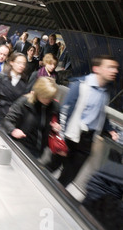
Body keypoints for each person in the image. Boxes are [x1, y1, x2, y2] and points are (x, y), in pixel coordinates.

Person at [45, 55, 120, 187]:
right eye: (110, 67)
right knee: (53, 165)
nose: (114, 71)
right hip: (70, 136)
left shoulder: (105, 91)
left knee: (69, 175)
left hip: (87, 140)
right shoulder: (81, 86)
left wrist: (109, 129)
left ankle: (54, 197)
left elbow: (100, 111)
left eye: (115, 68)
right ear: (97, 69)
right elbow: (65, 110)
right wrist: (61, 138)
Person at [2, 77, 61, 159]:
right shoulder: (24, 102)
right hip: (20, 146)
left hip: (38, 151)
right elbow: (8, 120)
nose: (48, 100)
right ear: (38, 92)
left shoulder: (54, 106)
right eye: (45, 97)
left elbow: (54, 123)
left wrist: (56, 127)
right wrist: (13, 130)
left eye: (50, 98)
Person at [0, 52, 28, 122]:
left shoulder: (23, 82)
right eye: (19, 63)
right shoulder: (1, 77)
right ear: (12, 62)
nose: (21, 66)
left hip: (11, 118)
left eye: (23, 64)